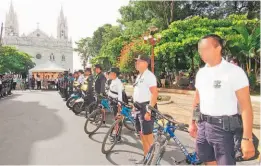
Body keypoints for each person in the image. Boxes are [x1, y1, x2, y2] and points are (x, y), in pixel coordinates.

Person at [189, 34, 255, 165]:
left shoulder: (233, 72)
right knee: (208, 161)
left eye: (204, 48)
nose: (201, 52)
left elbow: (246, 107)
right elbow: (197, 100)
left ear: (218, 48)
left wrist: (247, 138)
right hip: (203, 125)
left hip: (224, 129)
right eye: (199, 49)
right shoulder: (201, 73)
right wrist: (192, 122)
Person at [133, 54, 158, 164]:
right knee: (142, 135)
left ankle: (152, 160)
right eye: (136, 61)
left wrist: (149, 110)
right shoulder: (139, 76)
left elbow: (154, 94)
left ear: (145, 63)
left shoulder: (149, 76)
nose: (136, 63)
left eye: (139, 61)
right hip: (138, 108)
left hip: (146, 108)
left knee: (148, 136)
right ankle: (146, 158)